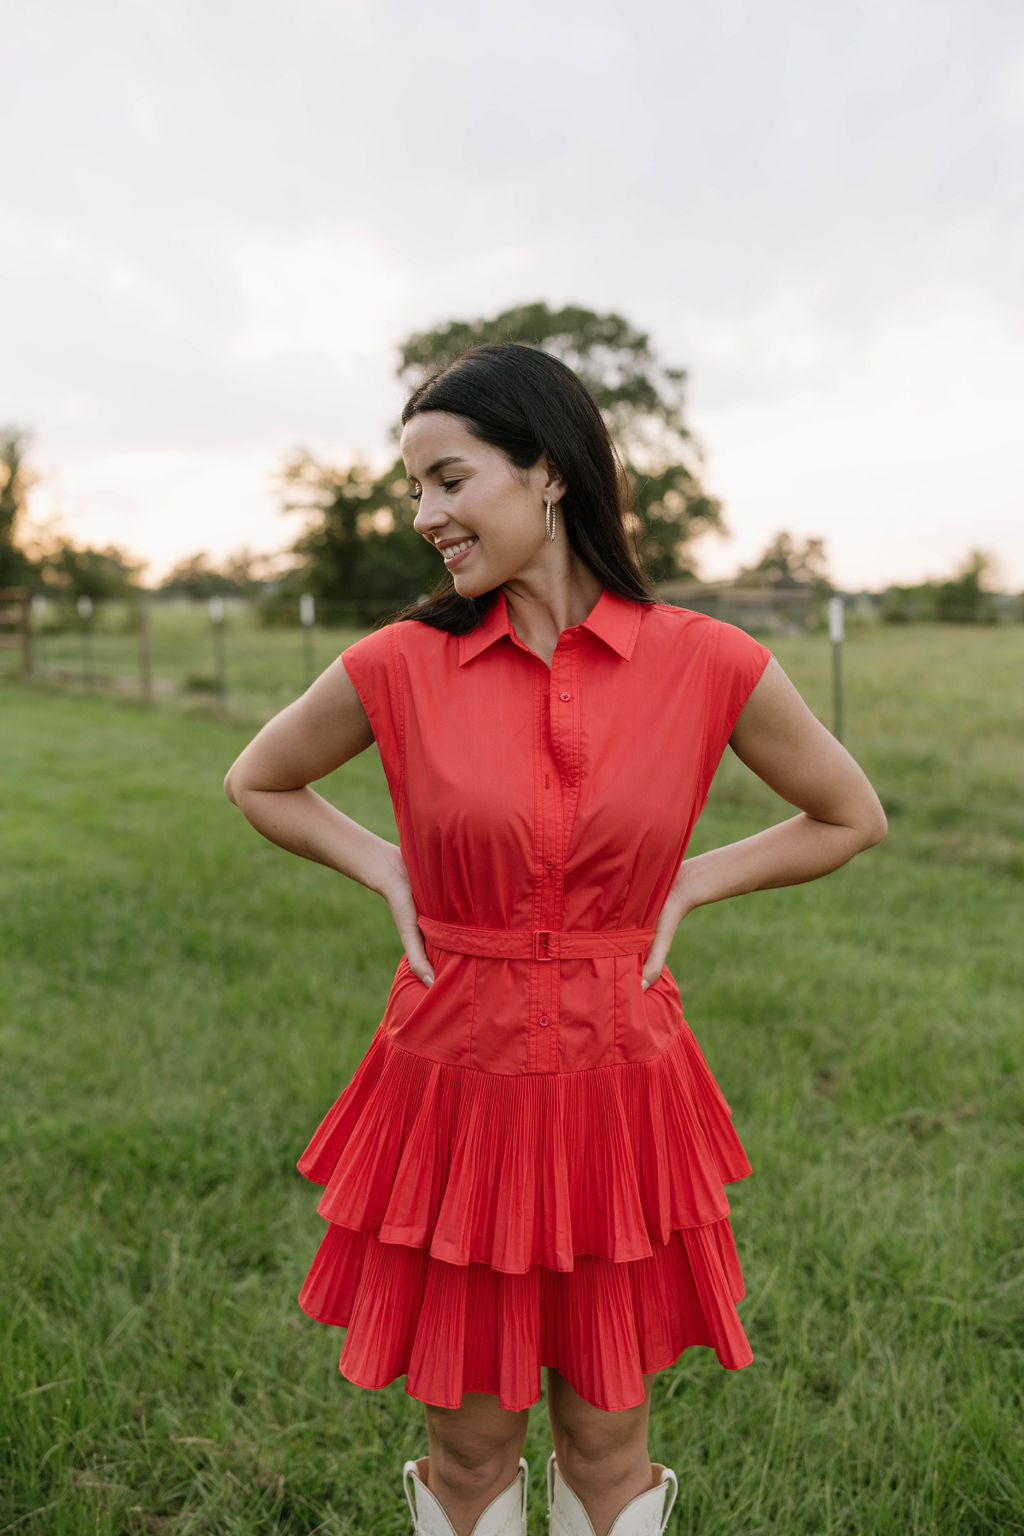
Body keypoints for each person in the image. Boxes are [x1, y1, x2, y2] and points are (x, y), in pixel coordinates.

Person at [223, 342, 886, 1536]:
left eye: (449, 479)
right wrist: (384, 864)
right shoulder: (399, 664)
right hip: (454, 1085)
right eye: (413, 489)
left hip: (619, 1088)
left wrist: (685, 884)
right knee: (469, 1452)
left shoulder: (709, 660)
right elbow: (259, 781)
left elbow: (849, 815)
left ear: (549, 473)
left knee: (605, 1438)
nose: (425, 514)